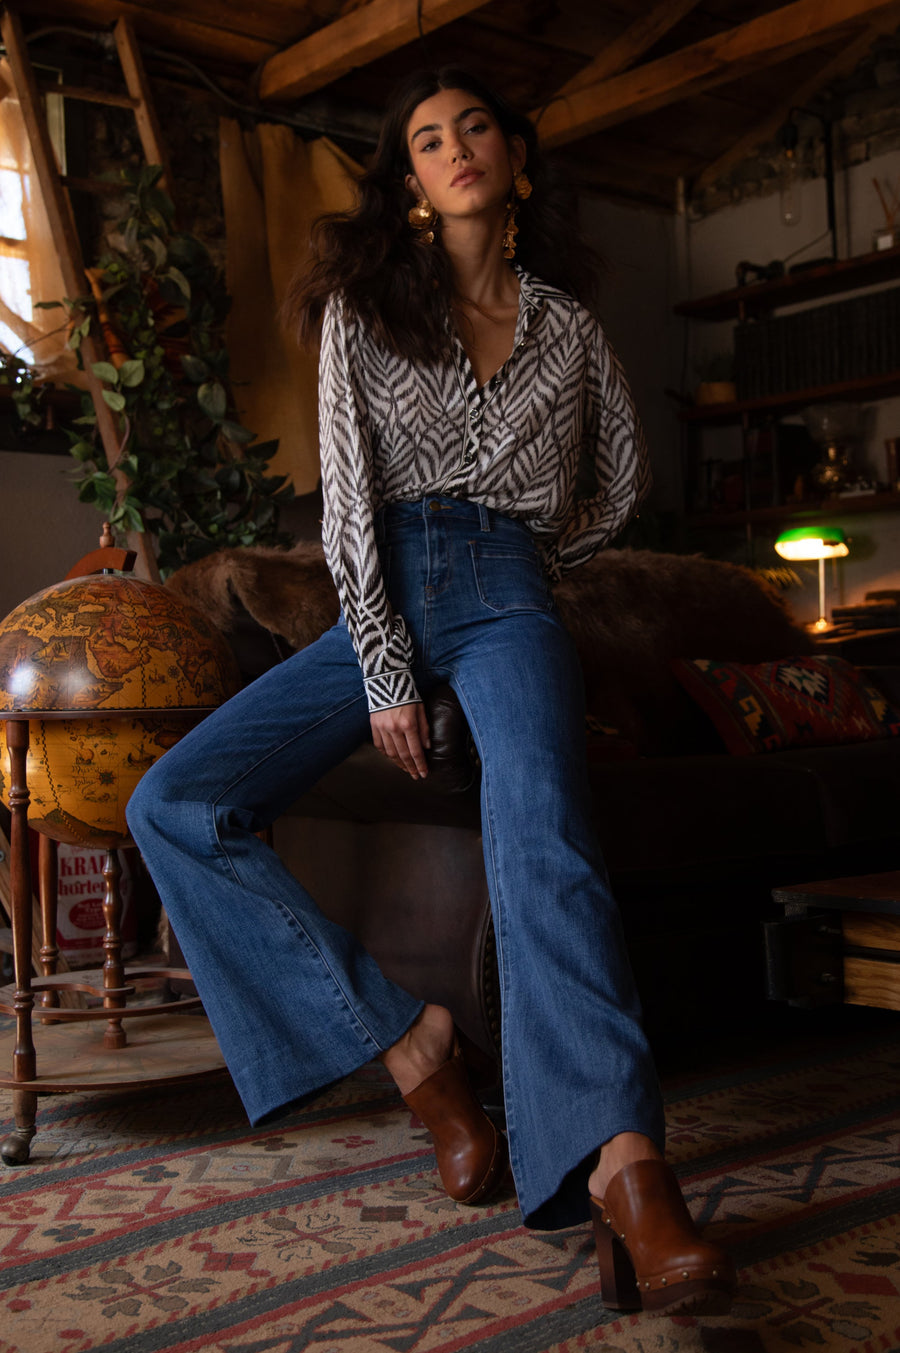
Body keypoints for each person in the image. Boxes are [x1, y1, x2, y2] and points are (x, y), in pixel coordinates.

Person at [126, 66, 735, 1319]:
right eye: (426, 140)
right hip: (385, 591)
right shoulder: (365, 306)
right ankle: (412, 1044)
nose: (454, 149)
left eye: (474, 129)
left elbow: (620, 487)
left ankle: (628, 1166)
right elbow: (347, 495)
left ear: (514, 157)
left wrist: (529, 568)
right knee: (177, 803)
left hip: (513, 597)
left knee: (547, 848)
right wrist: (393, 667)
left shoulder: (568, 327)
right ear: (408, 182)